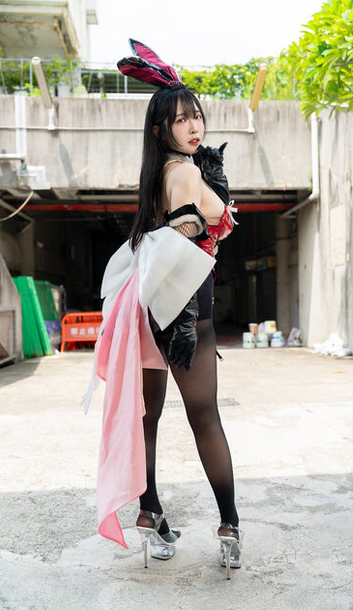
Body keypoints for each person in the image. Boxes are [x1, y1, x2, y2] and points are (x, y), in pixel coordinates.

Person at [83, 39, 241, 579]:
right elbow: (187, 229)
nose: (194, 126)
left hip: (149, 311)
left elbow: (164, 236)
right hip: (186, 314)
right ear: (160, 130)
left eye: (196, 115)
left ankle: (150, 514)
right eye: (180, 119)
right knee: (205, 418)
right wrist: (198, 220)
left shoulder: (159, 174)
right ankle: (229, 526)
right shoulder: (185, 174)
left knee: (148, 418)